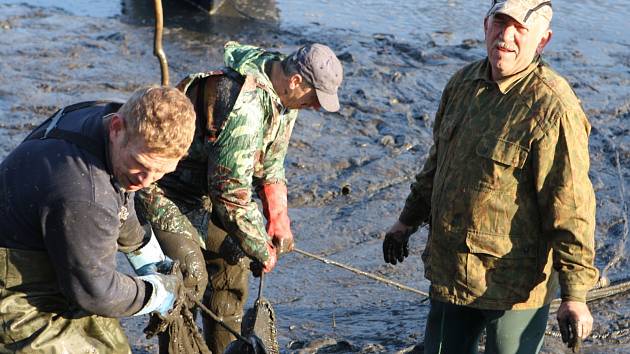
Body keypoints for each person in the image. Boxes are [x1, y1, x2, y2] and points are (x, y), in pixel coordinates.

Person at [382, 1, 598, 353]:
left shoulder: (553, 108)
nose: (505, 37)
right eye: (500, 23)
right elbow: (436, 166)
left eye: (519, 29)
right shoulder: (462, 85)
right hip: (451, 273)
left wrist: (575, 294)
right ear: (485, 25)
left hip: (513, 288)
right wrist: (406, 221)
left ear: (542, 41)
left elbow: (571, 207)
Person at [135, 40, 343, 352]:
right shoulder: (245, 107)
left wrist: (279, 219)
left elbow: (271, 164)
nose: (316, 106)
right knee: (189, 278)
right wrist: (262, 247)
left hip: (206, 191)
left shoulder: (285, 99)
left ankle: (225, 348)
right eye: (315, 98)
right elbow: (230, 196)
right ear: (296, 81)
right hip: (165, 191)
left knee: (235, 259)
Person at [0, 86, 197, 353]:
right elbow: (97, 293)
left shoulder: (103, 116)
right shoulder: (85, 193)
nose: (145, 181)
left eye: (161, 172)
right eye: (140, 164)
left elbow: (119, 193)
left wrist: (144, 252)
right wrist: (155, 295)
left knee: (114, 345)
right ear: (117, 128)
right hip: (13, 296)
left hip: (44, 251)